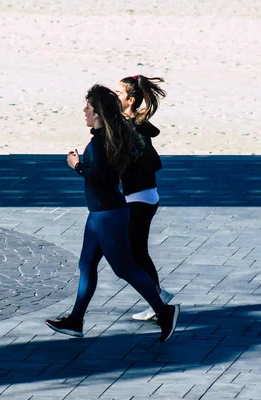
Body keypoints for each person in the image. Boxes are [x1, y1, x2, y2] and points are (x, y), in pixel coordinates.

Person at [45, 84, 180, 342]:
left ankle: (165, 312)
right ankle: (75, 321)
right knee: (86, 264)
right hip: (99, 213)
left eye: (88, 107)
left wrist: (77, 166)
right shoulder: (104, 138)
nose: (84, 110)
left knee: (125, 268)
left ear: (98, 114)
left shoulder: (100, 145)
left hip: (109, 214)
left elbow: (101, 179)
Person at [115, 75, 172, 321]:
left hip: (140, 196)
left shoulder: (133, 127)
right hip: (140, 195)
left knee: (135, 253)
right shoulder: (130, 122)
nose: (113, 95)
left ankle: (158, 299)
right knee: (136, 252)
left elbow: (146, 158)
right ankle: (157, 298)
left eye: (118, 93)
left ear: (131, 99)